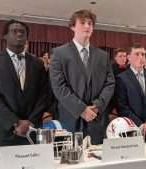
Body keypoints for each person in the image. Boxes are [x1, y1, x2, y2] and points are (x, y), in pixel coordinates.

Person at [49, 10, 115, 144]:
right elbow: (59, 87)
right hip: (71, 118)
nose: (87, 26)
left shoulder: (103, 56)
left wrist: (97, 105)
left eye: (90, 23)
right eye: (83, 23)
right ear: (73, 26)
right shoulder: (59, 53)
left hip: (97, 119)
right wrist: (81, 110)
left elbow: (110, 83)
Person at [0, 20, 50, 152]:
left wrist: (30, 122)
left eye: (23, 32)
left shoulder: (37, 64)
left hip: (32, 130)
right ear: (5, 36)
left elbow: (44, 95)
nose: (19, 34)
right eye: (14, 31)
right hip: (4, 130)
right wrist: (14, 122)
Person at [115, 44, 146, 142]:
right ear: (128, 57)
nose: (141, 57)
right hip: (131, 131)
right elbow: (122, 107)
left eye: (143, 54)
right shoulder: (121, 78)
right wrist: (140, 125)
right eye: (137, 54)